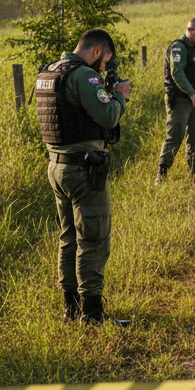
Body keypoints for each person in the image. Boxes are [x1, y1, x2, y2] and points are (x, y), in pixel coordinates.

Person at [35, 29, 132, 325]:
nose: (104, 68)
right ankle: (92, 313)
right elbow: (108, 116)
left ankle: (71, 307)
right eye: (105, 61)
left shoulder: (49, 72)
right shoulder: (83, 76)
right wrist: (120, 96)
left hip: (56, 166)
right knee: (94, 237)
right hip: (84, 169)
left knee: (69, 237)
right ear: (98, 51)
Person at [157, 19, 195, 184]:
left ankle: (194, 175)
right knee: (175, 135)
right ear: (189, 30)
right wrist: (192, 94)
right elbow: (177, 73)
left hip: (194, 98)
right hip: (179, 98)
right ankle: (161, 176)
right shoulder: (178, 47)